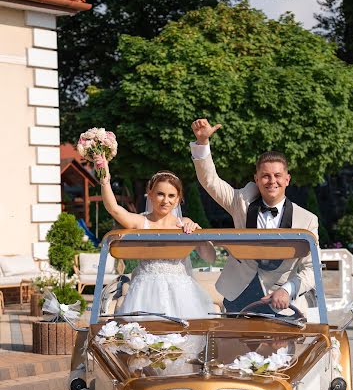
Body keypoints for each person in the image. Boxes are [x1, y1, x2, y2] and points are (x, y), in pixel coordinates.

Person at [190, 119, 319, 314]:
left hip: (280, 300)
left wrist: (287, 290)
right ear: (256, 179)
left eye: (277, 175)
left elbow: (312, 268)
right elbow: (210, 181)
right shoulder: (240, 202)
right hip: (238, 293)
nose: (272, 181)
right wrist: (202, 143)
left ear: (287, 179)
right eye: (266, 176)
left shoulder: (307, 219)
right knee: (234, 344)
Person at [94, 153, 216, 319]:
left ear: (178, 199)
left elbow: (210, 258)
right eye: (160, 194)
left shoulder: (184, 223)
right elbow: (114, 209)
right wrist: (105, 179)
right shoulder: (141, 222)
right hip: (145, 293)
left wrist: (198, 234)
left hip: (180, 294)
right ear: (150, 194)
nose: (166, 200)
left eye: (171, 195)